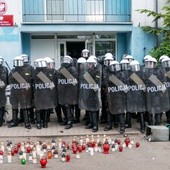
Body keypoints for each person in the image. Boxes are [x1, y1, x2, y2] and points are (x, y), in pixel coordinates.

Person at [8, 56, 33, 129]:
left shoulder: (25, 70)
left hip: (23, 92)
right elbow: (9, 80)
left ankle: (27, 123)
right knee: (14, 107)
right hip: (14, 91)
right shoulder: (12, 71)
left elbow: (28, 80)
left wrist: (19, 78)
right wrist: (13, 76)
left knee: (24, 107)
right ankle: (14, 122)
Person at [143, 57, 169, 125]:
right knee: (149, 110)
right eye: (148, 63)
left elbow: (162, 84)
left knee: (157, 109)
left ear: (155, 64)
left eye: (151, 63)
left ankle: (158, 123)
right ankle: (150, 124)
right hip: (148, 94)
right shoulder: (144, 72)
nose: (149, 64)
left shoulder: (158, 71)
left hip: (156, 94)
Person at [33, 58, 58, 129]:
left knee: (46, 109)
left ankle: (45, 122)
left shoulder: (48, 72)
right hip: (38, 93)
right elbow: (32, 82)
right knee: (38, 109)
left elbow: (52, 84)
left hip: (46, 93)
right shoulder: (35, 72)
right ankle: (38, 122)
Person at [78, 56, 101, 132]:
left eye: (90, 64)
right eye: (88, 64)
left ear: (93, 64)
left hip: (94, 93)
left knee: (94, 110)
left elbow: (97, 81)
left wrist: (90, 78)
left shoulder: (97, 71)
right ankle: (91, 123)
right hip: (87, 92)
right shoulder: (86, 72)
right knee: (89, 110)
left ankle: (95, 126)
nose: (89, 65)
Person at [57, 55, 78, 129]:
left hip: (70, 90)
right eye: (64, 60)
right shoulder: (60, 69)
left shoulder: (72, 69)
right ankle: (66, 119)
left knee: (67, 106)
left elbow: (74, 81)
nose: (65, 62)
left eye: (67, 60)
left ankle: (70, 121)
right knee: (63, 105)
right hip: (62, 90)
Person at [106, 60, 127, 134]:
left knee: (120, 111)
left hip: (119, 95)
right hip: (111, 95)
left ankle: (122, 127)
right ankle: (109, 125)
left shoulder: (122, 74)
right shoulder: (108, 75)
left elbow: (125, 84)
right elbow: (105, 83)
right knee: (109, 110)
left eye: (116, 66)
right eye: (113, 66)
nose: (114, 68)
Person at [127, 60, 146, 133]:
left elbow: (144, 84)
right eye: (133, 67)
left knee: (141, 112)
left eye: (136, 67)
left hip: (139, 95)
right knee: (129, 110)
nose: (134, 68)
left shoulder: (141, 74)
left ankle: (142, 127)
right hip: (132, 94)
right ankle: (128, 123)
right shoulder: (129, 74)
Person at [100, 53, 114, 125]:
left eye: (110, 60)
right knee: (104, 104)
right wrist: (103, 86)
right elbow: (101, 78)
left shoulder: (114, 68)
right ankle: (104, 117)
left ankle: (113, 120)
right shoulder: (102, 68)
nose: (108, 62)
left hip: (112, 90)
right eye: (107, 61)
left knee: (112, 105)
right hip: (104, 90)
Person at [0, 56, 8, 126]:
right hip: (2, 91)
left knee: (1, 106)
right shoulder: (4, 69)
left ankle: (1, 120)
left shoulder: (4, 69)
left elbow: (7, 80)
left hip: (2, 91)